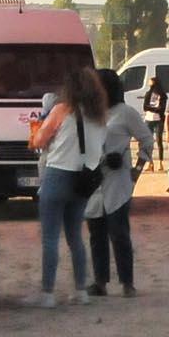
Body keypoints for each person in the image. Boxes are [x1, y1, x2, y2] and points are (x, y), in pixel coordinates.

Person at [29, 63, 112, 306]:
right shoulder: (100, 116)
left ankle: (47, 293)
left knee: (50, 238)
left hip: (58, 174)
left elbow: (38, 140)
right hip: (84, 179)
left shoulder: (61, 110)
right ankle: (80, 290)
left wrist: (38, 131)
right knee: (75, 236)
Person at [87, 65, 154, 297]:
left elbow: (147, 140)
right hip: (94, 179)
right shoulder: (89, 112)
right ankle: (100, 282)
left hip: (118, 181)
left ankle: (127, 283)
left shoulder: (126, 113)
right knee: (96, 234)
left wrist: (137, 169)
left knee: (119, 233)